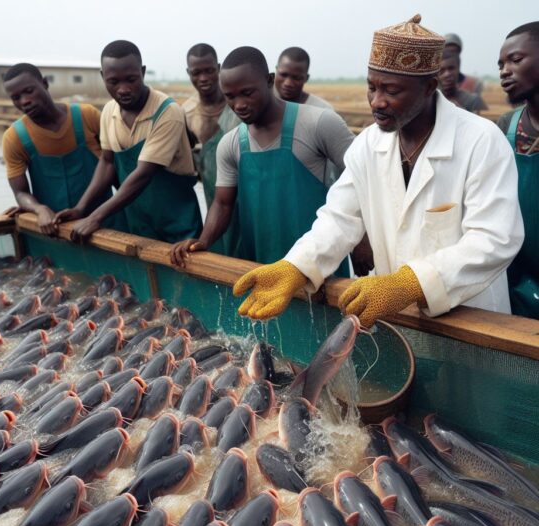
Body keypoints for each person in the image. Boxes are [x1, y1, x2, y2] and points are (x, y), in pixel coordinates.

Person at [232, 15, 523, 327]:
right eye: (371, 87)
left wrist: (411, 283)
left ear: (428, 88)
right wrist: (297, 265)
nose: (377, 101)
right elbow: (339, 219)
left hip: (470, 320)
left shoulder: (481, 140)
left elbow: (495, 239)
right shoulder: (369, 144)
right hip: (395, 319)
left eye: (392, 90)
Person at [170, 46, 355, 276]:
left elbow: (360, 181)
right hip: (259, 266)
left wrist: (362, 240)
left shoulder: (319, 123)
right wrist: (204, 241)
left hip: (319, 268)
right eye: (230, 96)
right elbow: (222, 203)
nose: (239, 105)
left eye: (247, 93)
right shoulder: (231, 144)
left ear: (269, 80)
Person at [54, 40, 202, 244]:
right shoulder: (108, 112)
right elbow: (107, 163)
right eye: (114, 82)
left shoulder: (167, 112)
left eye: (131, 79)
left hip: (177, 224)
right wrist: (81, 208)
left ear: (142, 72)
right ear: (102, 77)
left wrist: (96, 216)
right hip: (137, 223)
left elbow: (143, 174)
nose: (123, 89)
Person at [275, 46, 374, 275]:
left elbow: (354, 174)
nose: (289, 82)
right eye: (284, 75)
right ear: (275, 73)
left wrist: (360, 238)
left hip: (321, 216)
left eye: (297, 77)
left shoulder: (323, 114)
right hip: (277, 218)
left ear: (306, 78)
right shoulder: (260, 109)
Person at [2, 63, 116, 235]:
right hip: (56, 229)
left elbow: (114, 165)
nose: (24, 101)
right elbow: (20, 192)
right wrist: (38, 209)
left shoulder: (87, 116)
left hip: (107, 224)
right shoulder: (14, 138)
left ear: (45, 83)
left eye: (29, 91)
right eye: (16, 97)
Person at [497, 22, 539, 319]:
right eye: (500, 64)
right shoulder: (506, 127)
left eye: (516, 59)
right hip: (517, 275)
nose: (504, 71)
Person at [183, 43, 240, 207]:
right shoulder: (186, 113)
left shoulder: (239, 107)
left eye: (209, 70)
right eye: (196, 72)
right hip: (210, 195)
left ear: (219, 68)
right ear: (188, 73)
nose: (203, 78)